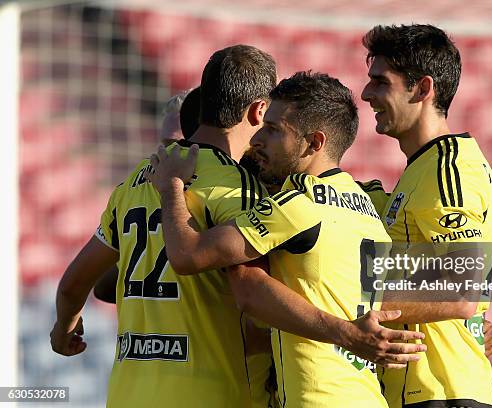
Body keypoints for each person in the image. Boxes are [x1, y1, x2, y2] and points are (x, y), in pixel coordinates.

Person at [52, 47, 420, 407]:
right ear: (259, 109)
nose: (262, 139)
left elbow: (75, 285)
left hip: (127, 393)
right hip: (217, 392)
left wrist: (63, 330)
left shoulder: (138, 179)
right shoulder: (244, 187)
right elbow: (249, 289)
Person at [147, 71, 427, 407]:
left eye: (274, 129)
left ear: (314, 143)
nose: (257, 139)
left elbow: (188, 256)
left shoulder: (297, 204)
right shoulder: (368, 207)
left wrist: (171, 188)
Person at [360, 24, 492, 407]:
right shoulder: (427, 169)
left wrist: (356, 307)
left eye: (380, 82)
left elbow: (460, 290)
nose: (366, 93)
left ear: (422, 89)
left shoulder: (447, 171)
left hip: (443, 392)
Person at [93, 88, 200, 304]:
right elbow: (102, 286)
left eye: (180, 145)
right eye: (165, 145)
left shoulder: (226, 196)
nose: (168, 154)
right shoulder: (134, 193)